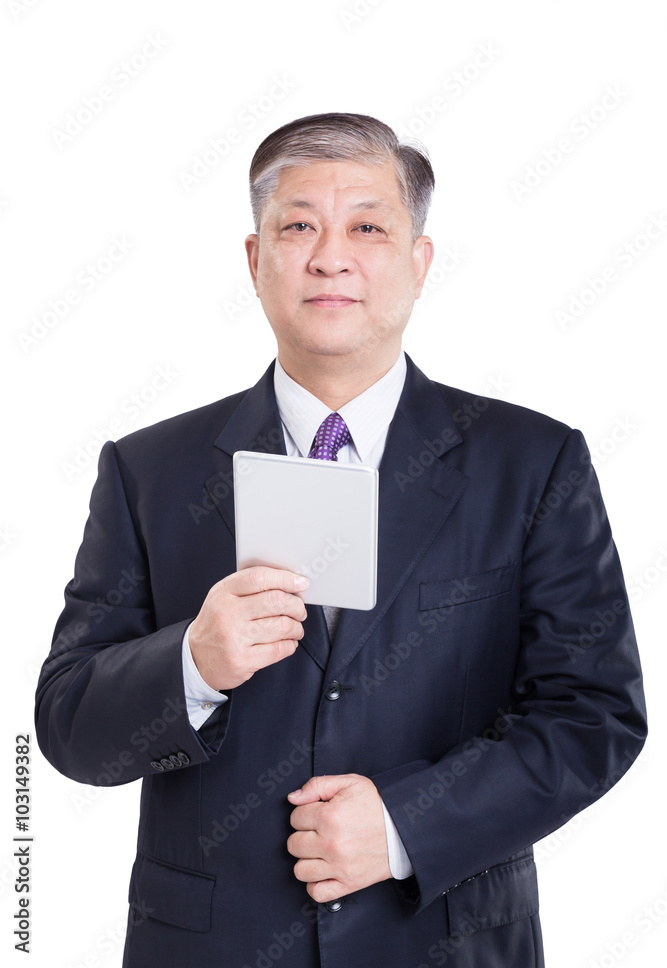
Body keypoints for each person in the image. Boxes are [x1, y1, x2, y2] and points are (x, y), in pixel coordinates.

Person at [35, 112, 647, 968]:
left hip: (444, 942)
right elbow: (66, 728)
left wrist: (406, 825)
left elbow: (593, 716)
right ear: (255, 262)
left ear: (417, 261)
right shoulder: (150, 471)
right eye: (297, 226)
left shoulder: (532, 463)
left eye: (367, 226)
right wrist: (192, 663)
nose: (330, 256)